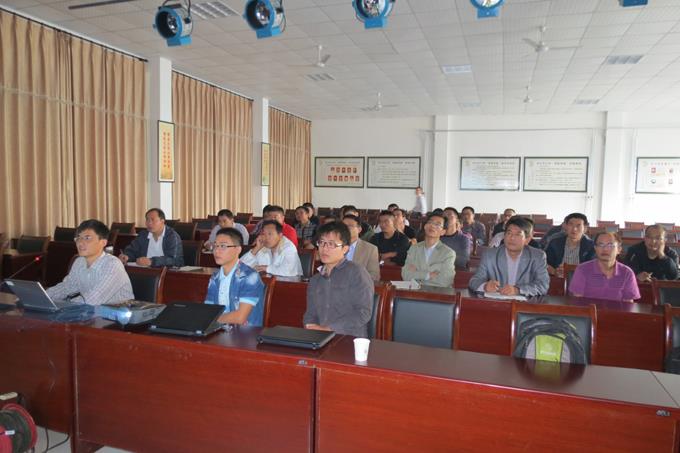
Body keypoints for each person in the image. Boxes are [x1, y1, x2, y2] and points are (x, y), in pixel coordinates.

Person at [303, 222, 373, 337]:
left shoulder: (356, 272)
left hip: (349, 338)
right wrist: (310, 327)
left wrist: (329, 329)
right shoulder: (315, 280)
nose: (324, 248)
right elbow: (310, 313)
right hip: (320, 337)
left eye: (331, 244)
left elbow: (363, 312)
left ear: (345, 249)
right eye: (321, 243)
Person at [47, 219, 134, 305]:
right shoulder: (79, 262)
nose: (80, 242)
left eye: (87, 238)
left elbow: (94, 299)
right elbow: (67, 287)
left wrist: (66, 305)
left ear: (103, 242)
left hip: (118, 312)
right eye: (78, 238)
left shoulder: (113, 265)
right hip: (91, 311)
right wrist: (45, 296)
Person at [468, 216, 549, 297]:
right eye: (509, 233)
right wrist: (485, 286)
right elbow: (474, 281)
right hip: (496, 302)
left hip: (525, 303)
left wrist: (518, 290)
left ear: (527, 240)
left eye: (518, 234)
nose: (512, 238)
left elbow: (543, 285)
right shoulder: (489, 255)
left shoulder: (537, 256)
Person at [204, 227, 265, 326]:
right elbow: (208, 310)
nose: (216, 251)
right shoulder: (215, 278)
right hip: (220, 329)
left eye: (223, 246)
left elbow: (239, 318)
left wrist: (211, 319)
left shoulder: (249, 277)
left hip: (245, 333)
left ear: (238, 249)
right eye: (215, 246)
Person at [569, 232, 639, 302]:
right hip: (589, 309)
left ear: (619, 249)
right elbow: (577, 302)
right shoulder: (582, 270)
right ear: (595, 248)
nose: (605, 249)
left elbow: (628, 304)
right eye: (601, 245)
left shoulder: (627, 273)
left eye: (610, 245)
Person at [402, 213, 455, 287]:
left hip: (437, 292)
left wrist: (417, 275)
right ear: (425, 226)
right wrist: (428, 275)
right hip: (415, 292)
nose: (432, 226)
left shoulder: (448, 253)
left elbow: (445, 281)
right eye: (430, 222)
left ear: (443, 232)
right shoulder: (414, 248)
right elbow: (405, 275)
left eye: (437, 224)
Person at [119, 208, 183, 267]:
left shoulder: (172, 236)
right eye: (147, 220)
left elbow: (174, 260)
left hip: (167, 272)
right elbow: (132, 250)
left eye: (153, 220)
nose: (149, 223)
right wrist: (126, 256)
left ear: (162, 221)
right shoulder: (143, 235)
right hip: (145, 271)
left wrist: (151, 261)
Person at [342, 214, 380, 281]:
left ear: (359, 229)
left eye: (350, 226)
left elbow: (374, 275)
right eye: (343, 226)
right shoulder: (334, 246)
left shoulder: (370, 249)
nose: (345, 229)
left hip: (359, 285)